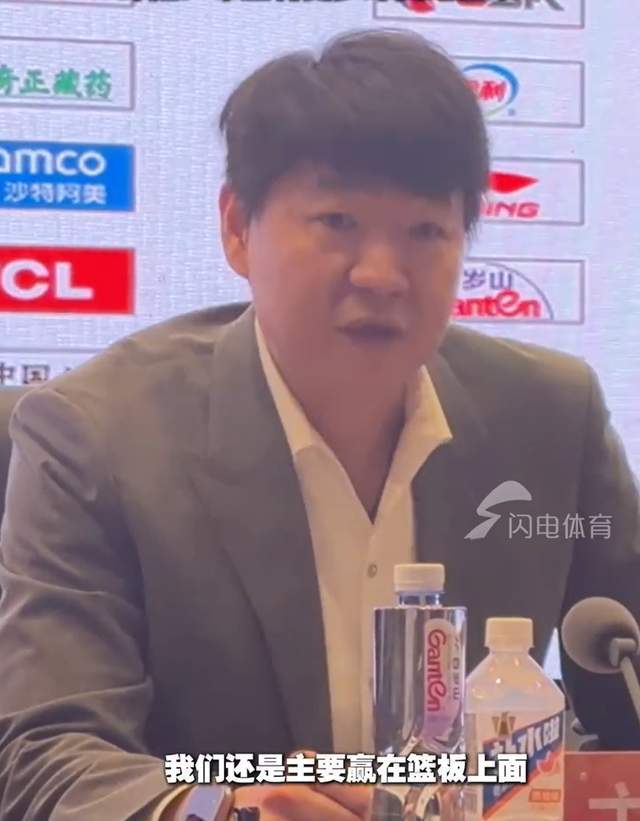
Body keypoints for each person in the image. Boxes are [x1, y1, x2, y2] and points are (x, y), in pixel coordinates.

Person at [0, 26, 638, 821]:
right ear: (238, 228)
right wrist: (222, 809)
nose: (382, 274)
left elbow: (624, 703)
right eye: (337, 222)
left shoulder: (548, 416)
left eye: (426, 232)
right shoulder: (98, 434)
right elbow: (47, 755)